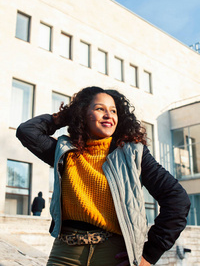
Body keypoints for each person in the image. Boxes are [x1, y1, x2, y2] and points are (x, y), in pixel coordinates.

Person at [16, 86, 190, 266]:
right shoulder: (64, 151)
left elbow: (177, 200)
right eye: (100, 109)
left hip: (113, 254)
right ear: (82, 113)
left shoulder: (132, 154)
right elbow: (27, 131)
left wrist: (150, 254)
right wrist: (66, 116)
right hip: (65, 252)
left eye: (113, 111)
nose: (109, 115)